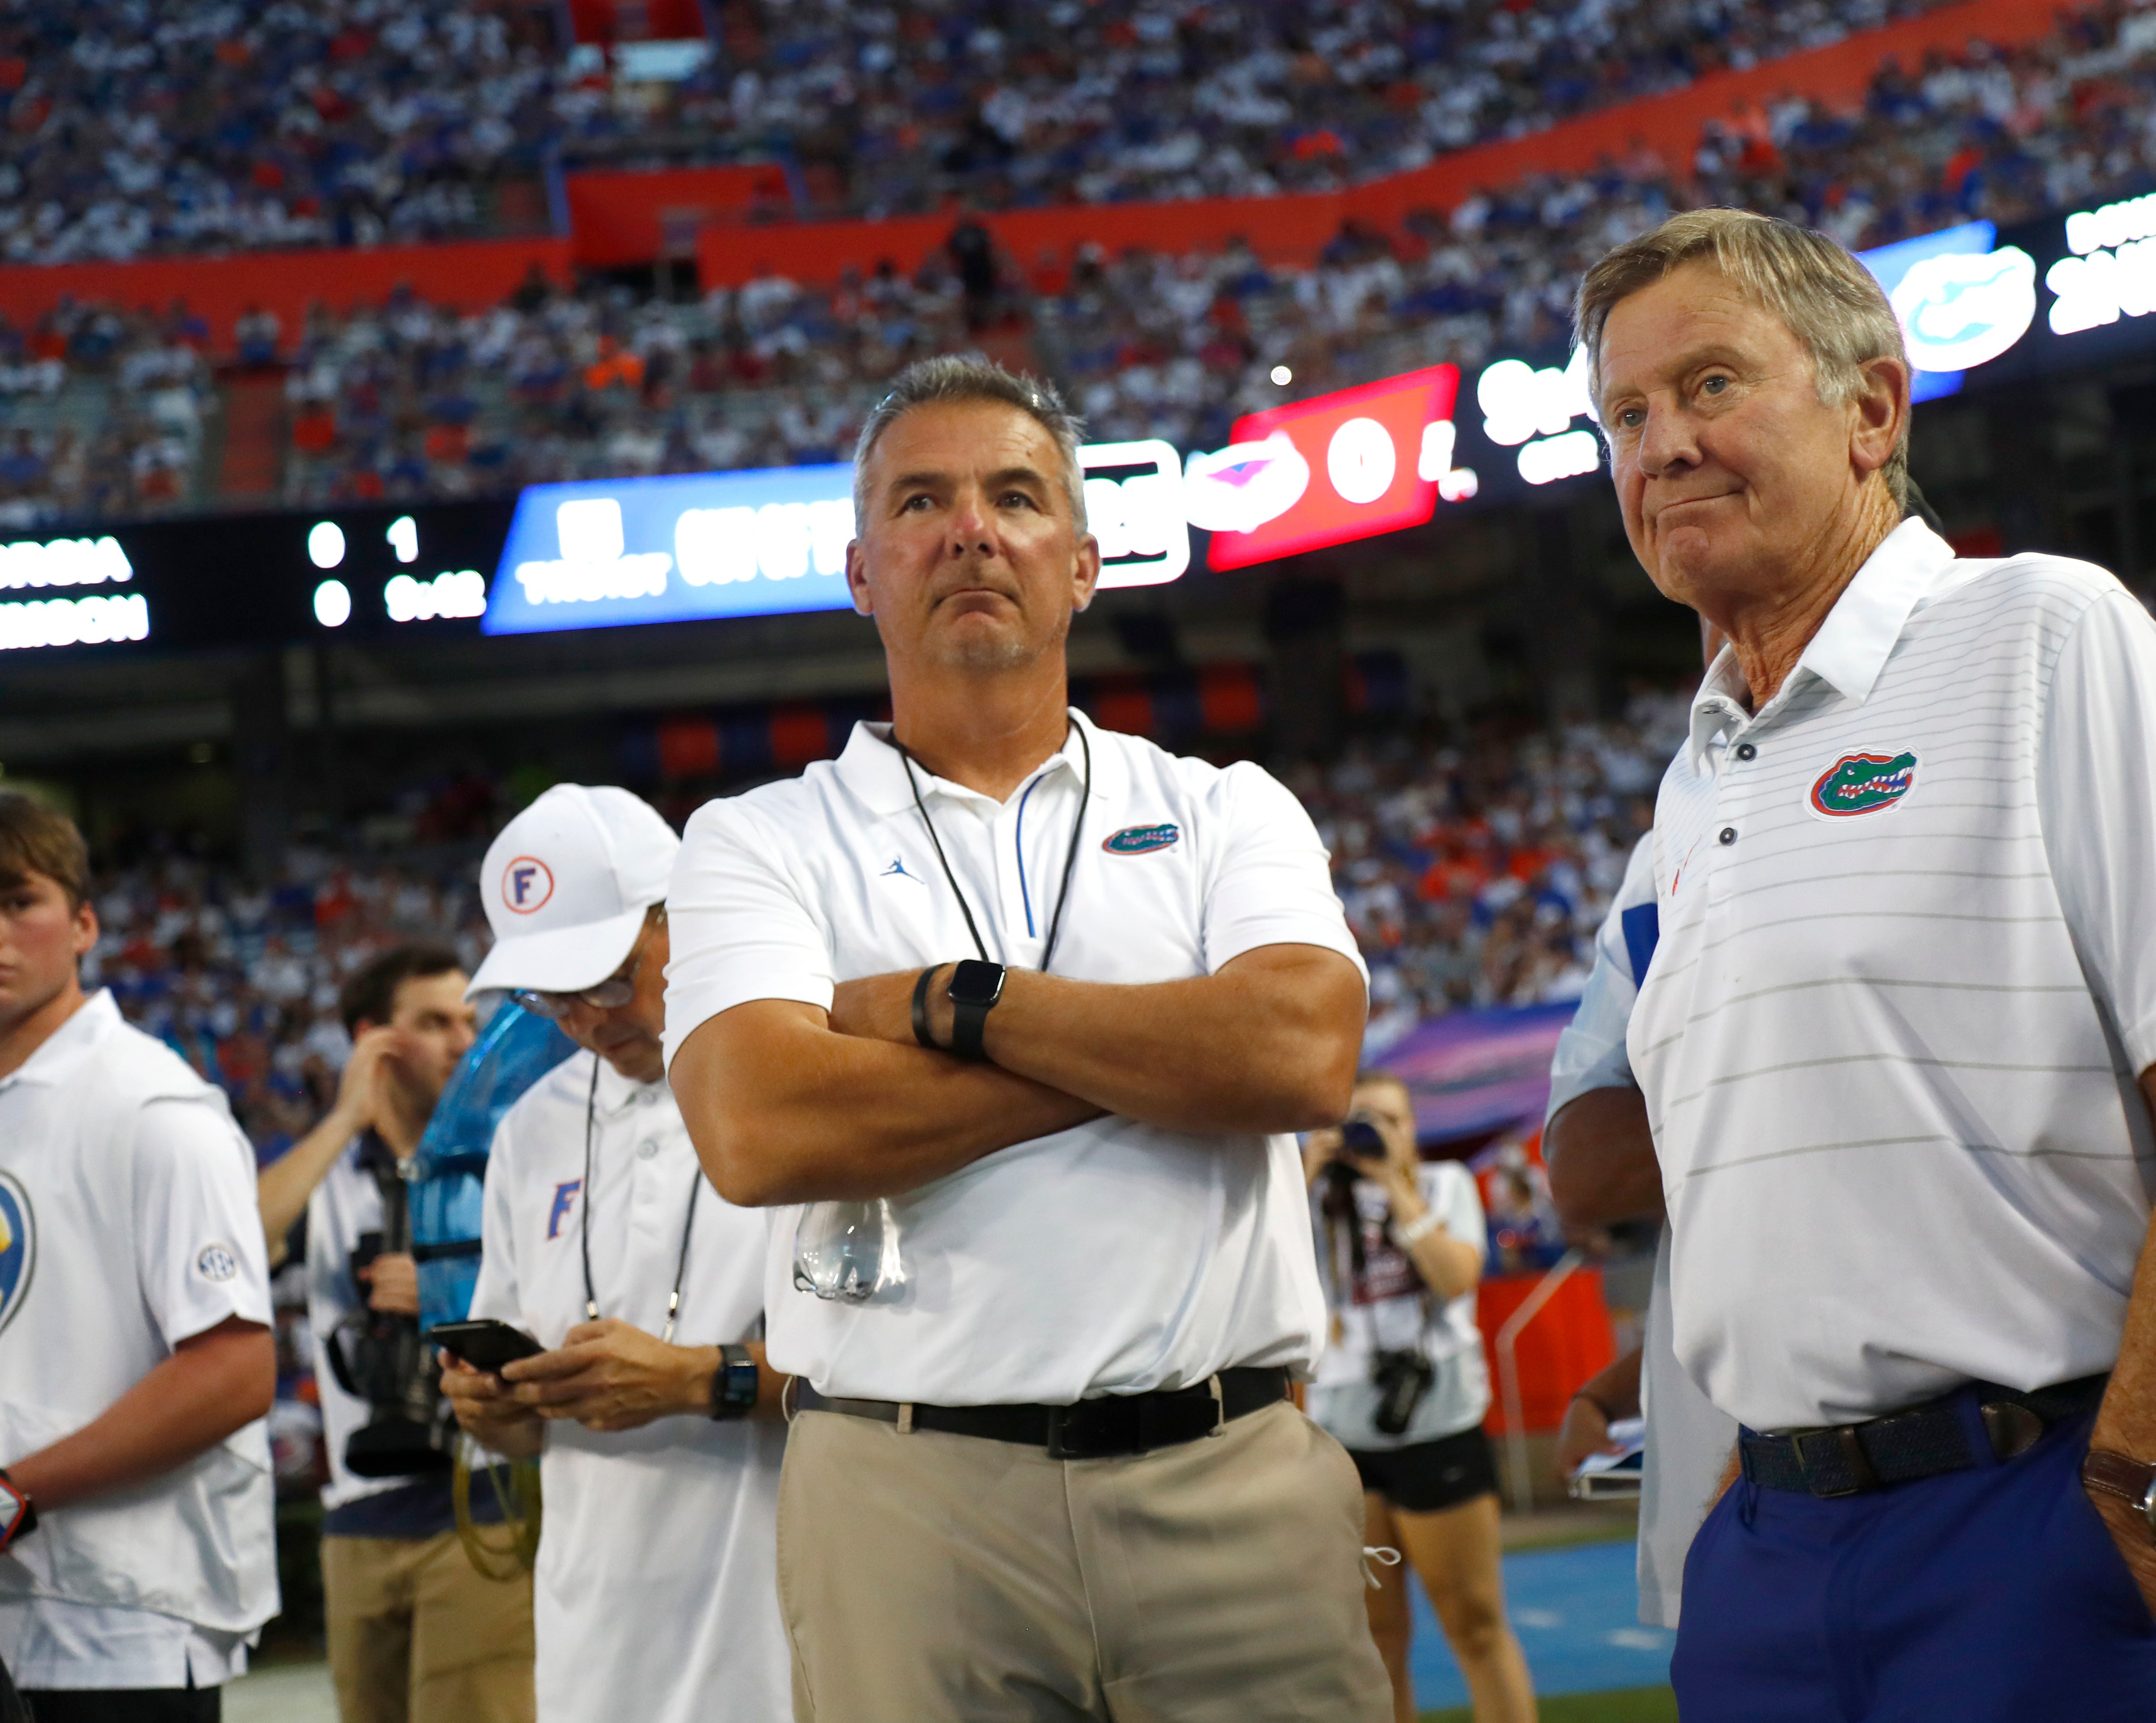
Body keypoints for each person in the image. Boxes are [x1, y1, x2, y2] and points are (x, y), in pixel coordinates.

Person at [1580, 207, 2156, 1723]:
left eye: (1712, 385)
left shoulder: (2044, 629)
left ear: (1872, 410)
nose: (1661, 446)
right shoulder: (1696, 777)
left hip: (2044, 1495)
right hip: (1777, 1543)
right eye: (1627, 415)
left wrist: (2141, 1512)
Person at [662, 354, 1388, 1722]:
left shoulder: (1230, 804)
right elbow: (762, 1132)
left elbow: (1295, 1061)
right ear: (862, 572)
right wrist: (1155, 1055)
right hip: (907, 1494)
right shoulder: (754, 839)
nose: (971, 530)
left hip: (1228, 1471)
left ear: (1084, 563)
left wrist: (959, 1007)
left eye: (1015, 495)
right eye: (921, 502)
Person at [439, 785, 794, 1723]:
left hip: (778, 1622)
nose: (589, 1018)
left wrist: (698, 1381)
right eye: (555, 997)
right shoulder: (531, 1129)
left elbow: (896, 1366)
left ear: (689, 915)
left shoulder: (803, 1076)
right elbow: (521, 1428)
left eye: (610, 977)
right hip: (595, 1640)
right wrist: (492, 1406)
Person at [0, 793, 279, 1719]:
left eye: (17, 901)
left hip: (122, 1623)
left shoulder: (153, 1106)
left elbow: (233, 1372)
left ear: (82, 925)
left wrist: (11, 1494)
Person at [255, 944, 534, 1723]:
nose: (463, 1041)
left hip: (478, 1493)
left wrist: (453, 1289)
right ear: (373, 1038)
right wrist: (346, 1113)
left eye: (470, 1022)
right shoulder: (330, 1174)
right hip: (358, 1512)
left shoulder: (504, 1156)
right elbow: (233, 1245)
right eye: (435, 1022)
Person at [1540, 826, 1737, 1632]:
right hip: (1741, 1501)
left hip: (1996, 1451)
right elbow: (1584, 1165)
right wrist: (1613, 1388)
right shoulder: (1675, 838)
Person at [1305, 1074, 1534, 1723]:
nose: (1378, 1135)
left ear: (1413, 1129)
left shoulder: (1445, 1186)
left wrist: (1393, 1187)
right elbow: (1262, 1267)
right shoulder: (1314, 1197)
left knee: (1476, 1624)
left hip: (1440, 1423)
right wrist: (1307, 1169)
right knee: (1375, 1637)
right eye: (1361, 1122)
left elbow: (1457, 1279)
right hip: (1346, 1438)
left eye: (1392, 1121)